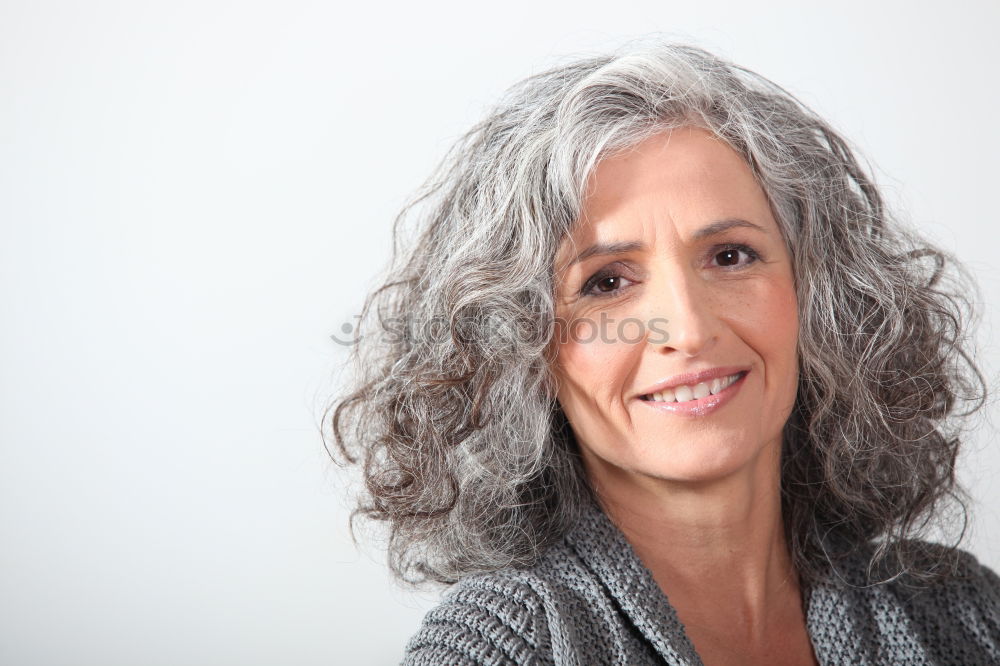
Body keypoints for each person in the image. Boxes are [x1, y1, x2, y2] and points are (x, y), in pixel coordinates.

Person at [325, 36, 1000, 665]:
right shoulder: (501, 648)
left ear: (817, 295)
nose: (689, 328)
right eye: (607, 282)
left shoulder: (961, 611)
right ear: (517, 355)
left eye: (730, 256)